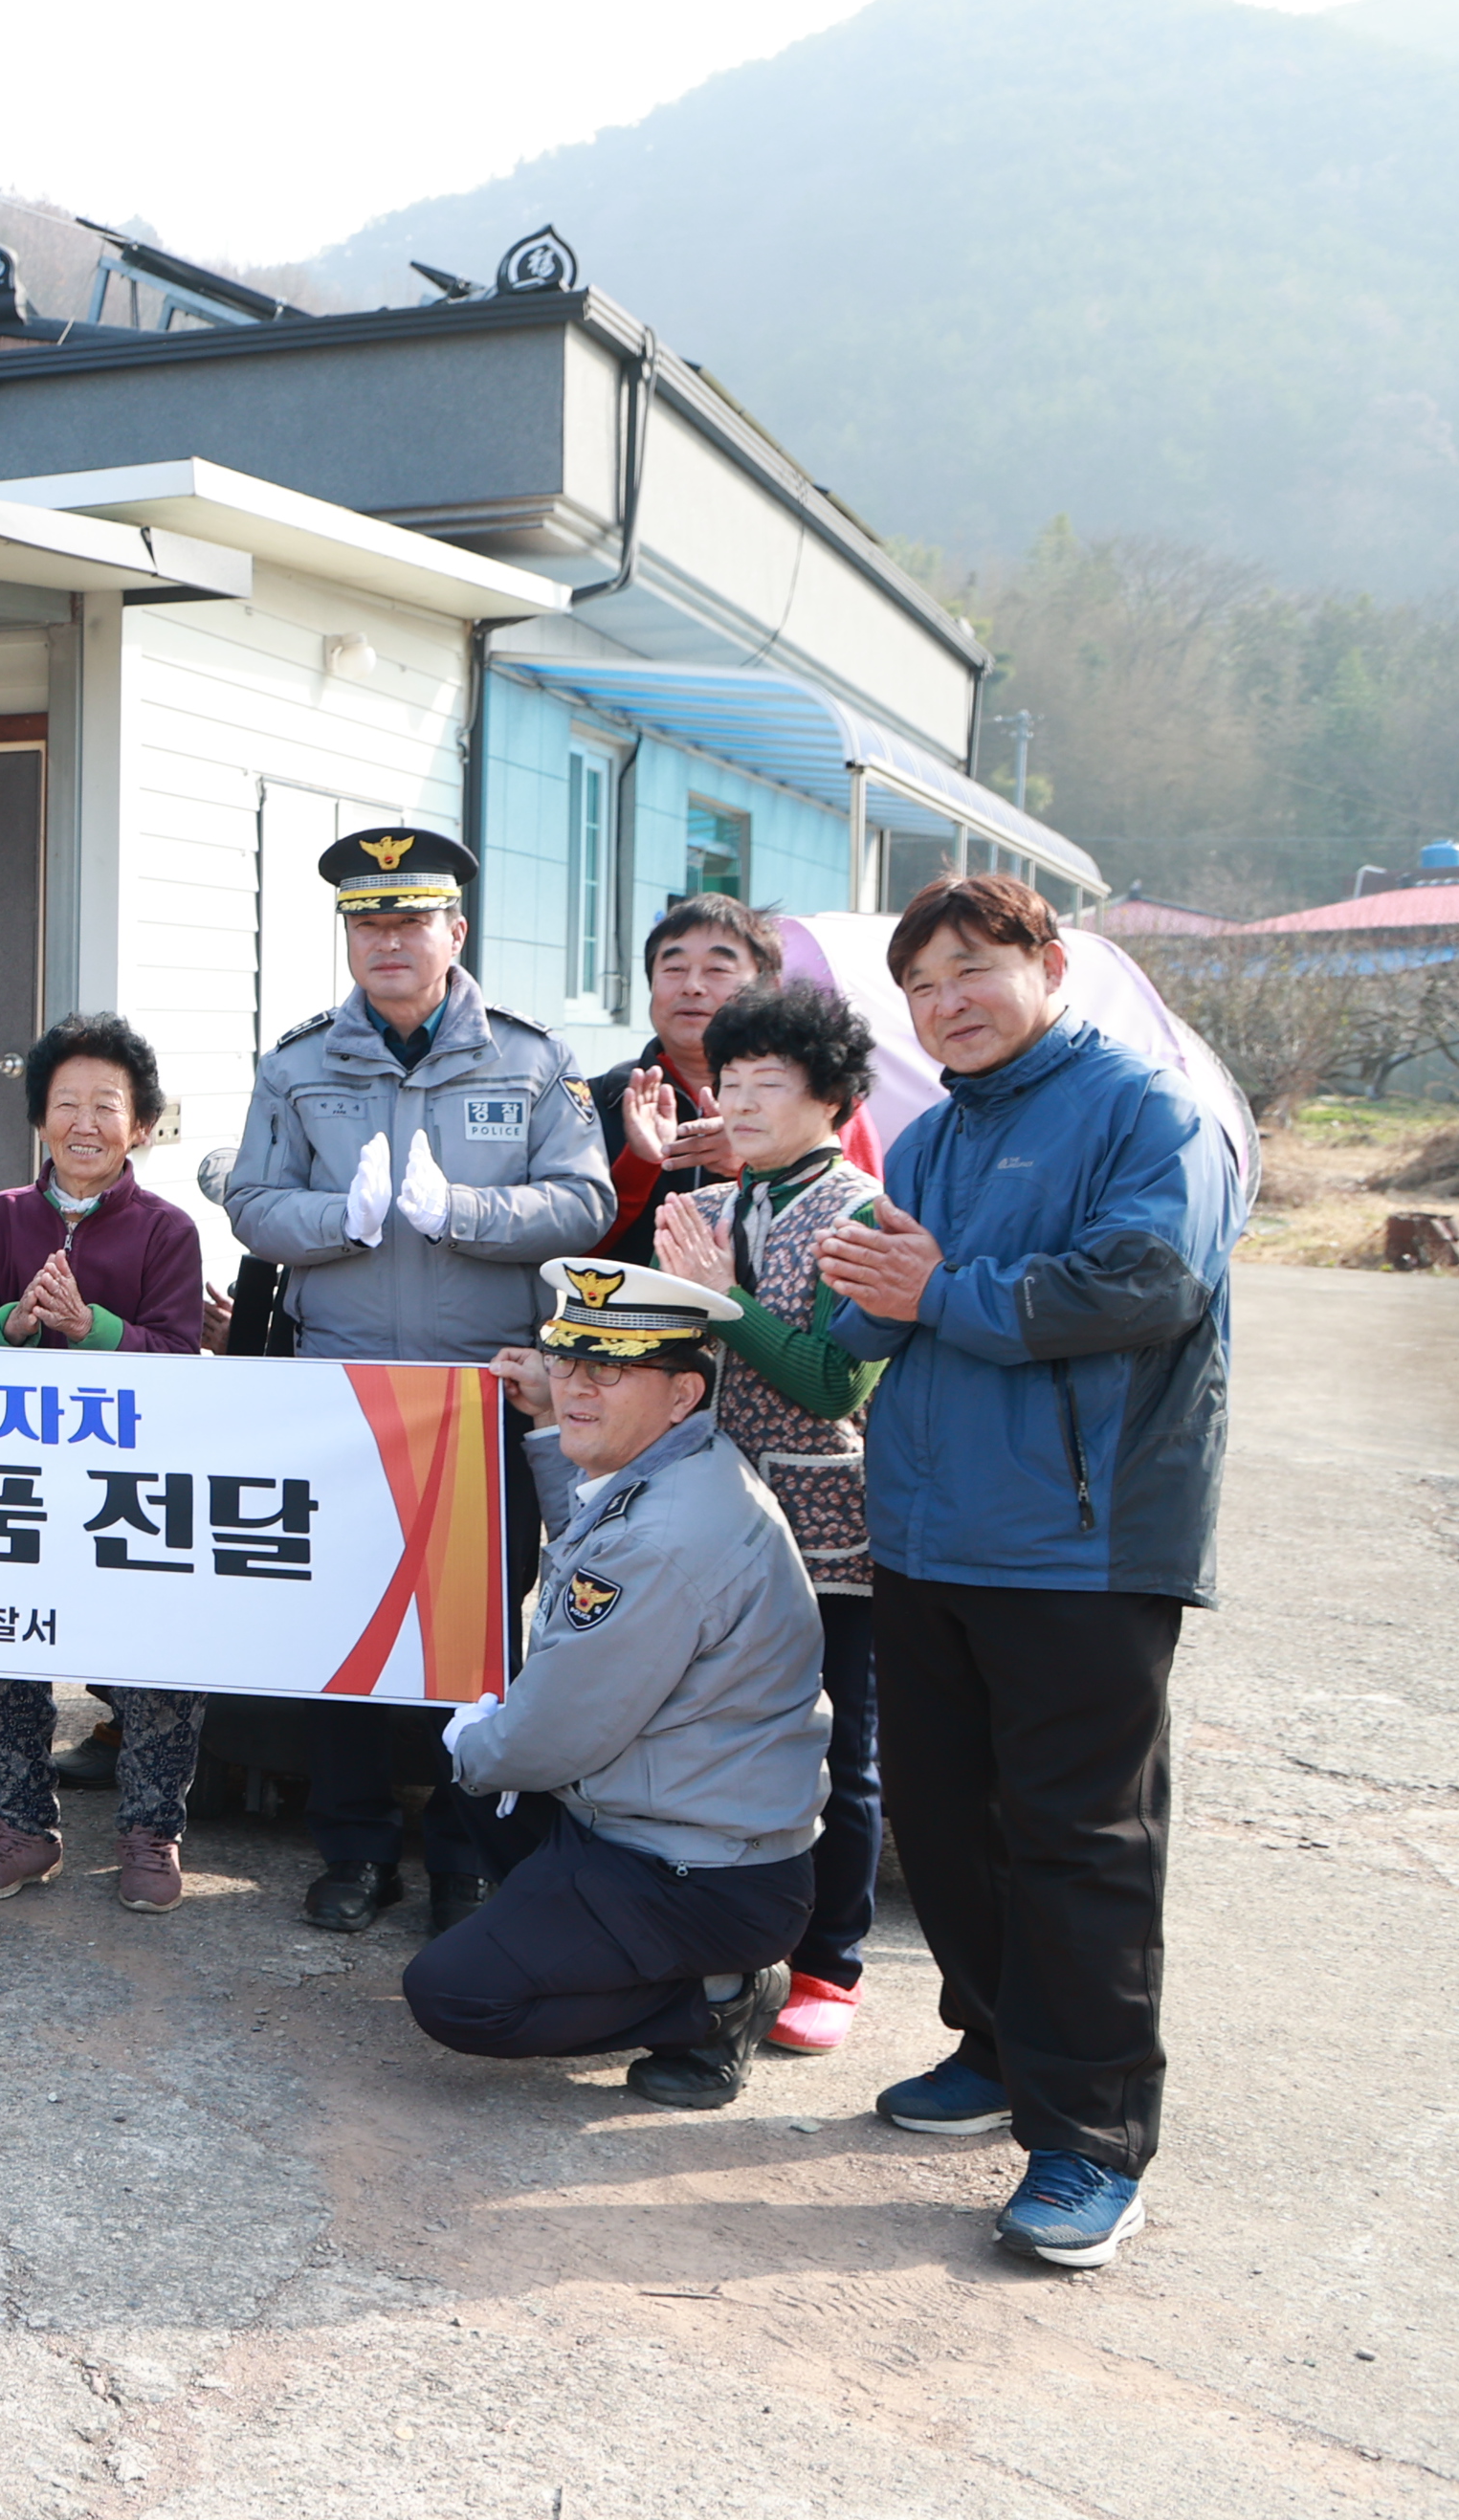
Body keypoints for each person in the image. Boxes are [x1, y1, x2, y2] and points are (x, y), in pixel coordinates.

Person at [819, 874, 1237, 2270]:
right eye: (922, 988)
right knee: (947, 1824)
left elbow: (1147, 1280)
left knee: (1081, 1846)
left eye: (971, 972)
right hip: (932, 1538)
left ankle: (1093, 2138)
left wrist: (941, 1290)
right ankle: (995, 2050)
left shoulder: (1143, 1111)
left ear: (1048, 966)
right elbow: (872, 1305)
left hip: (1082, 1541)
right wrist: (809, 1279)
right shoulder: (931, 1137)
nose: (947, 1005)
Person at [224, 825, 614, 1935]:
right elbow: (254, 1202)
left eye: (410, 919)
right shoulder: (299, 1063)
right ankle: (350, 1848)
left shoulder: (532, 1059)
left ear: (455, 928)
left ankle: (466, 1853)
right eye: (366, 920)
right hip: (344, 1397)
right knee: (344, 1628)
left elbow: (584, 1204)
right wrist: (335, 1224)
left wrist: (468, 1215)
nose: (388, 939)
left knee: (475, 1636)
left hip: (480, 1395)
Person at [405, 1258, 829, 2112]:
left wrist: (472, 1745)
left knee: (454, 1993)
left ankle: (716, 2001)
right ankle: (581, 1933)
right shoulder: (684, 1465)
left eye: (609, 1371)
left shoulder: (667, 1537)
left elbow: (556, 1733)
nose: (575, 1390)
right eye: (565, 1362)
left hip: (699, 1871)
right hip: (661, 1824)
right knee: (482, 1779)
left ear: (682, 1393)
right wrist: (547, 1419)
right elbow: (600, 1522)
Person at [646, 978, 888, 2055]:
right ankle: (730, 1935)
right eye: (728, 1079)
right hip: (710, 1519)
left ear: (830, 1095)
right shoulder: (706, 1205)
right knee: (711, 1729)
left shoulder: (863, 1211)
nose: (738, 1101)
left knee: (837, 1744)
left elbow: (837, 1382)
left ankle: (832, 1959)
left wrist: (724, 1298)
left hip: (827, 1528)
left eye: (767, 1082)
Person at [0, 1014, 208, 1911]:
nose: (84, 1123)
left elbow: (177, 1356)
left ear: (139, 1125)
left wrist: (86, 1328)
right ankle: (20, 1827)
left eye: (108, 1106)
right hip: (14, 1480)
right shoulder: (0, 1218)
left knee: (160, 1653)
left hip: (127, 1489)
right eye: (66, 1104)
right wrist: (13, 1324)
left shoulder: (168, 1231)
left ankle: (150, 1830)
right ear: (41, 1119)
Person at [586, 895, 780, 1263]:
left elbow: (848, 1223)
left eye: (718, 970)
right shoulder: (596, 1101)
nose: (692, 986)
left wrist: (761, 1163)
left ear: (766, 987)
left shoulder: (817, 1101)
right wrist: (640, 1162)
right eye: (673, 969)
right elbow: (570, 1249)